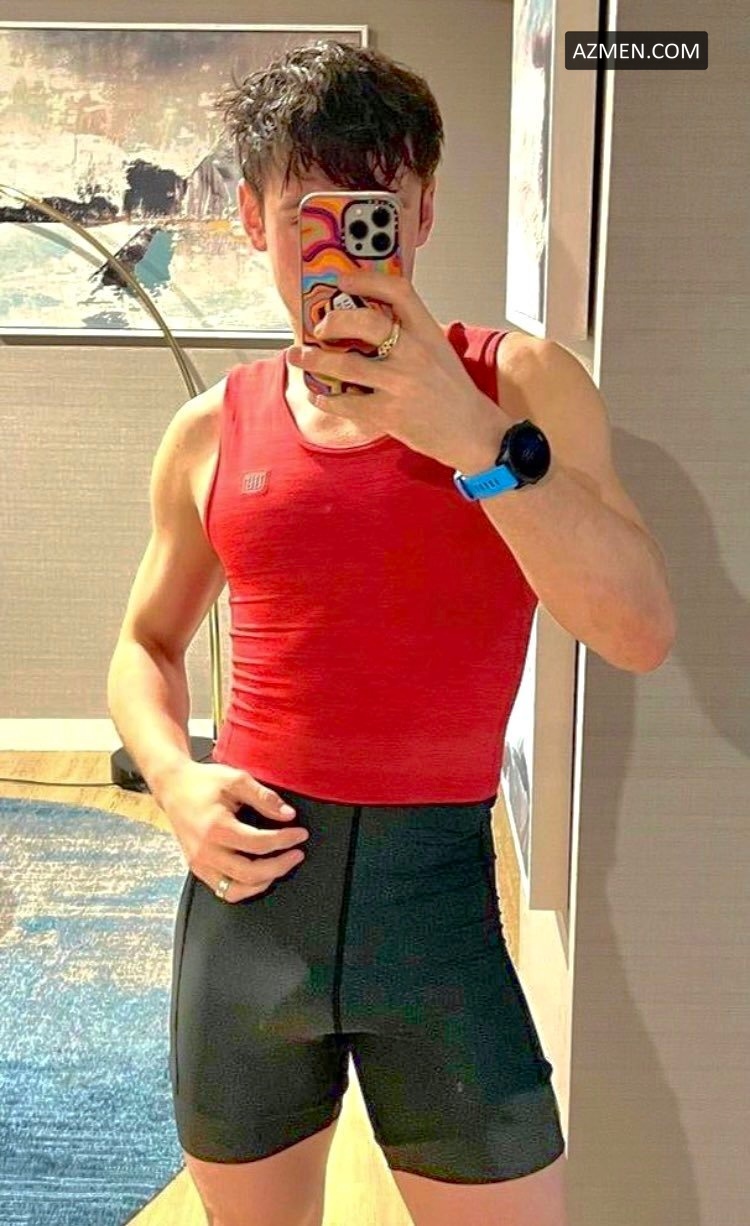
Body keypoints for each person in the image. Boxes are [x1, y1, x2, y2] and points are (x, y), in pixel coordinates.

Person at [107, 40, 676, 1226]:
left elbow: (635, 629)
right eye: (308, 216)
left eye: (374, 212)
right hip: (251, 904)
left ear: (421, 211)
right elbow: (144, 644)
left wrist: (475, 440)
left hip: (441, 912)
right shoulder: (212, 430)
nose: (346, 251)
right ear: (253, 221)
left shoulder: (520, 388)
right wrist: (174, 779)